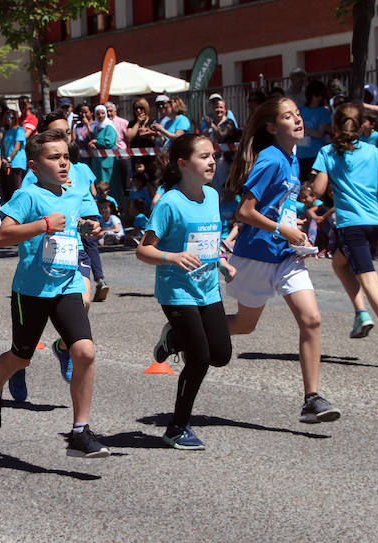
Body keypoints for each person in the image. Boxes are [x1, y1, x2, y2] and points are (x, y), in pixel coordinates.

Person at [0, 128, 110, 458]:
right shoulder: (28, 195)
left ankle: (80, 432)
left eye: (65, 157)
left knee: (86, 352)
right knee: (21, 357)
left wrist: (87, 228)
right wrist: (44, 225)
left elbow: (74, 225)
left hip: (68, 285)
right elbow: (3, 236)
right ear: (34, 165)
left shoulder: (73, 193)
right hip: (31, 291)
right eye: (54, 157)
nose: (63, 163)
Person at [224, 97, 341, 423]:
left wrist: (297, 233)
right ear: (273, 128)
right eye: (289, 117)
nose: (298, 120)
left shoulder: (291, 160)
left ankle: (312, 399)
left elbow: (280, 208)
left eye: (298, 115)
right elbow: (244, 212)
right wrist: (283, 229)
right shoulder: (272, 159)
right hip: (256, 255)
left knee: (312, 319)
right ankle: (184, 332)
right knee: (245, 326)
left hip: (287, 256)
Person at [138, 134, 232, 450]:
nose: (211, 161)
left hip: (208, 288)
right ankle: (177, 428)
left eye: (213, 155)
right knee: (201, 359)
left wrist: (222, 261)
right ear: (182, 164)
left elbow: (207, 241)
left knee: (221, 354)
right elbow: (143, 250)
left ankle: (173, 338)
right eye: (203, 156)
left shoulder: (212, 197)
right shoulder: (169, 203)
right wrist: (171, 257)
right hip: (176, 290)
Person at [311, 103, 378, 368]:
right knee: (339, 263)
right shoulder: (373, 150)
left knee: (369, 280)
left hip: (351, 224)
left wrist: (317, 180)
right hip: (376, 221)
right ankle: (361, 314)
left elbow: (319, 190)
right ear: (361, 126)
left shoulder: (328, 151)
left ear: (335, 127)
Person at [296, 80, 331, 182]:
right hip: (299, 154)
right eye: (316, 95)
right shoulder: (300, 109)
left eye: (321, 95)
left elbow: (319, 133)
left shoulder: (323, 112)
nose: (318, 98)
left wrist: (303, 129)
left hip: (314, 155)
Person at [89, 105, 120, 198]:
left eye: (102, 113)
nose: (100, 116)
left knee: (108, 187)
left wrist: (96, 142)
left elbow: (109, 142)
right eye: (98, 114)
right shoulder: (96, 128)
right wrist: (92, 144)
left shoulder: (109, 127)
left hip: (107, 163)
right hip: (98, 163)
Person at [0, 109, 27, 202]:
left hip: (17, 163)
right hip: (8, 164)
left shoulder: (19, 130)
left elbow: (17, 146)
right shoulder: (7, 132)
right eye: (7, 117)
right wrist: (4, 159)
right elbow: (3, 147)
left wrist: (9, 159)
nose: (9, 119)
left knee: (17, 190)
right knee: (11, 191)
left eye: (11, 117)